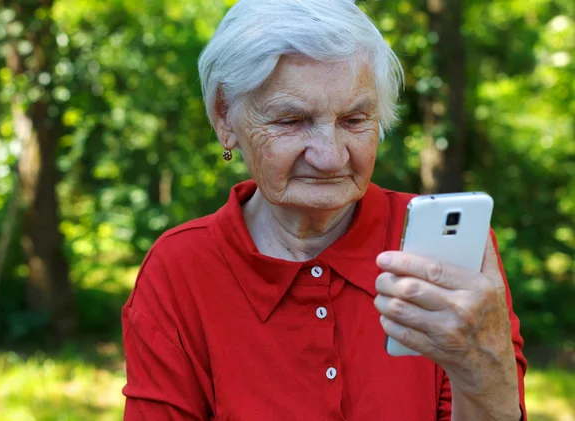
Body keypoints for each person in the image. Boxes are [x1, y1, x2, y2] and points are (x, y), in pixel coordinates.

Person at [121, 0, 527, 420]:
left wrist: (484, 372)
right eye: (292, 120)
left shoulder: (439, 252)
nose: (330, 156)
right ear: (225, 117)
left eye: (353, 119)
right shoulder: (181, 269)